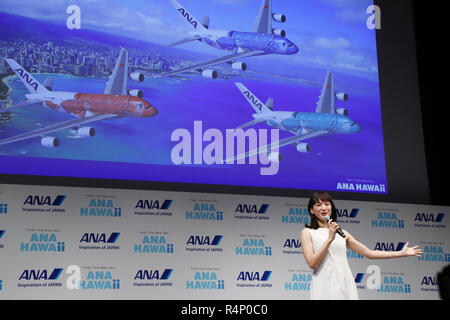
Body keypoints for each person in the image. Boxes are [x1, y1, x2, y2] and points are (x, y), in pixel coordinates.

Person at [300, 191, 423, 300]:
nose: (324, 208)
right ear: (312, 210)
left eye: (327, 204)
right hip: (324, 285)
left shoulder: (343, 233)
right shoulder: (308, 232)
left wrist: (400, 253)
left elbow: (370, 254)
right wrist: (329, 239)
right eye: (318, 205)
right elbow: (311, 263)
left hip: (345, 283)